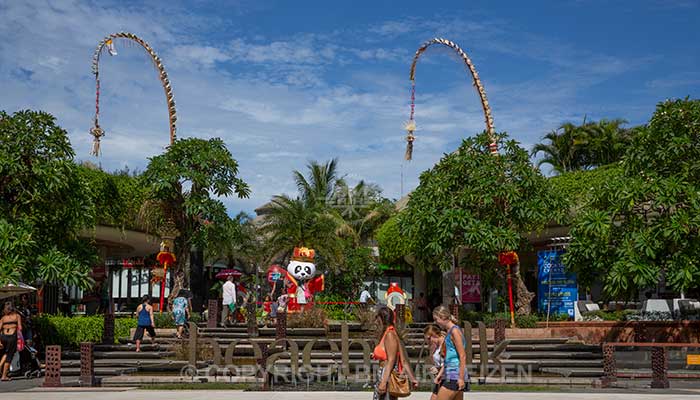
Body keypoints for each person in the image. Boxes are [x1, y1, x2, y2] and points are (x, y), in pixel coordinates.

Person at [372, 306, 418, 400]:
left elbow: (391, 360)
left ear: (381, 318)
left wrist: (383, 382)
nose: (376, 321)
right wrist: (413, 379)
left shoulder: (390, 334)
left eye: (377, 318)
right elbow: (403, 359)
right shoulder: (391, 333)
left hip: (387, 373)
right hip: (385, 372)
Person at [432, 305, 468, 399]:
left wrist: (460, 378)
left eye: (436, 319)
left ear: (443, 317)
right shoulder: (449, 332)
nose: (436, 322)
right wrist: (441, 374)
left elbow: (462, 355)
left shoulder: (454, 331)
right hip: (450, 373)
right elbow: (449, 357)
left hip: (455, 374)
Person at [0, 302, 22, 381]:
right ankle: (4, 376)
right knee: (9, 355)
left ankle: (0, 366)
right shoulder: (17, 316)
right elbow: (20, 328)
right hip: (12, 337)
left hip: (3, 337)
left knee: (5, 353)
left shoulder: (3, 318)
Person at [424, 324, 446, 400]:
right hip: (442, 378)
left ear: (434, 335)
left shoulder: (446, 344)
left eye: (429, 339)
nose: (428, 341)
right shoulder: (436, 346)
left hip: (449, 377)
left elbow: (447, 362)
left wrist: (439, 374)